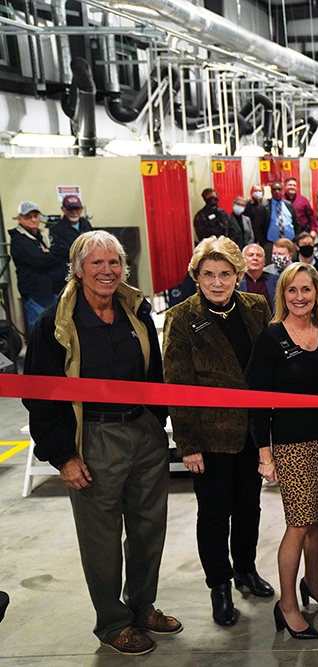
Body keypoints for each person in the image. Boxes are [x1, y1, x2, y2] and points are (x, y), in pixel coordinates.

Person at [23, 230, 181, 655]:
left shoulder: (135, 311)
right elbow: (39, 396)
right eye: (97, 263)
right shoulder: (54, 323)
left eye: (114, 263)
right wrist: (63, 456)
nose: (107, 271)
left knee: (149, 528)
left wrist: (157, 421)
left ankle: (142, 607)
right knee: (101, 540)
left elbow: (154, 372)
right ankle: (113, 623)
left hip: (143, 432)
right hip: (92, 437)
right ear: (78, 270)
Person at [163, 236, 274, 627]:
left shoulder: (256, 307)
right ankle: (220, 586)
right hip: (209, 437)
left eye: (225, 274)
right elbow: (176, 384)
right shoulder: (181, 317)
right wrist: (188, 444)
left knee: (249, 508)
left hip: (252, 433)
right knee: (213, 514)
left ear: (238, 275)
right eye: (208, 274)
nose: (217, 282)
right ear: (196, 276)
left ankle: (245, 569)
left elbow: (268, 366)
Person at [247, 262, 318, 640]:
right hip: (291, 444)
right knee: (299, 522)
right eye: (292, 290)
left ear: (317, 292)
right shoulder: (271, 338)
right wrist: (265, 454)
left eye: (306, 289)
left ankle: (313, 585)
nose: (299, 297)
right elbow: (258, 402)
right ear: (282, 295)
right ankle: (287, 604)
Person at [10, 201, 65, 329]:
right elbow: (39, 261)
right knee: (39, 330)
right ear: (19, 219)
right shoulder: (19, 240)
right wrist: (53, 254)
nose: (33, 219)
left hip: (53, 291)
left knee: (56, 329)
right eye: (28, 217)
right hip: (35, 294)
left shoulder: (44, 235)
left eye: (35, 216)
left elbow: (64, 251)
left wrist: (49, 252)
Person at [254, 181, 300, 261]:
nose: (277, 192)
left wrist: (296, 240)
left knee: (291, 266)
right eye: (274, 189)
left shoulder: (289, 206)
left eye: (279, 189)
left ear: (283, 190)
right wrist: (264, 243)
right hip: (271, 245)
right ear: (271, 191)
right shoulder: (264, 207)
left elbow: (296, 224)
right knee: (272, 266)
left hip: (290, 244)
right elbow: (257, 226)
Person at [50, 194, 93, 265]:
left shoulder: (86, 224)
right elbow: (61, 252)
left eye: (77, 209)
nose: (74, 212)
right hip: (67, 266)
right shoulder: (56, 229)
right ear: (63, 209)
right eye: (70, 209)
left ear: (81, 209)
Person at [238, 243, 278, 310]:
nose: (255, 258)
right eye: (250, 255)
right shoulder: (236, 281)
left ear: (264, 261)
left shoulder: (276, 280)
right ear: (242, 260)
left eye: (259, 255)